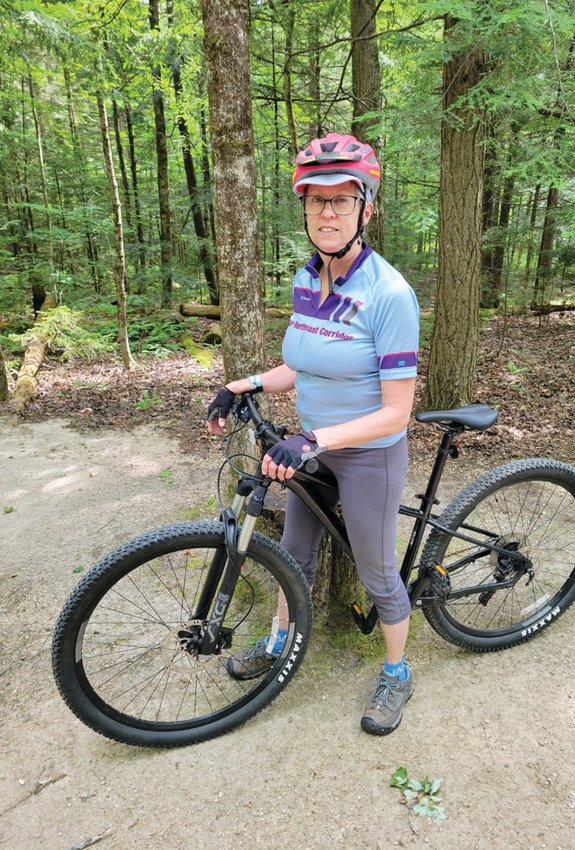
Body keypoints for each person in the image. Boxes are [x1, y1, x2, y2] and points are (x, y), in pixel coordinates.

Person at [206, 132, 419, 735]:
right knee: (293, 556)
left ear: (365, 208)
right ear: (303, 208)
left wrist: (316, 441)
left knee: (377, 571)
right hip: (313, 445)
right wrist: (245, 383)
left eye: (342, 200)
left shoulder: (389, 294)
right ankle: (278, 644)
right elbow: (302, 365)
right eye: (316, 200)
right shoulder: (306, 281)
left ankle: (398, 673)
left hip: (366, 455)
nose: (328, 212)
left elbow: (397, 412)